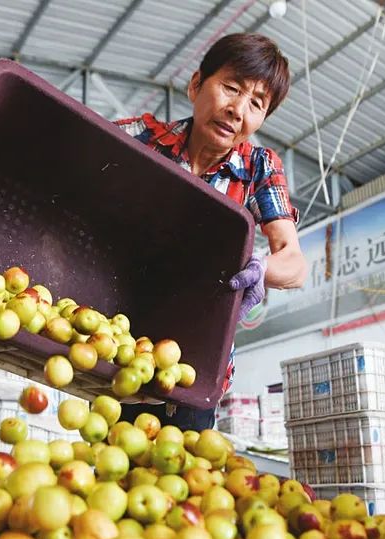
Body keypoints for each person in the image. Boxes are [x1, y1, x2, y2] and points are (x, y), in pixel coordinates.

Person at [116, 32, 307, 431]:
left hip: (194, 368)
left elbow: (293, 262)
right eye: (231, 88)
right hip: (115, 347)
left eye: (256, 104)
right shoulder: (143, 140)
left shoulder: (257, 167)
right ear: (196, 84)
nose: (238, 110)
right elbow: (75, 138)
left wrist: (259, 268)